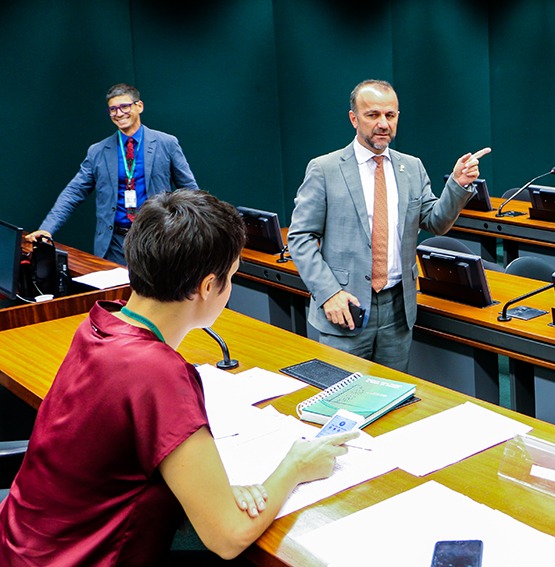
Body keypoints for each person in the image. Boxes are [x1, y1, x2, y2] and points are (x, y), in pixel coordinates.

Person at [0, 190, 358, 565]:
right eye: (231, 277)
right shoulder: (158, 373)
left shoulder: (100, 323)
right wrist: (296, 466)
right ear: (207, 287)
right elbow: (228, 535)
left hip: (21, 546)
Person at [288, 79, 490, 372]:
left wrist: (457, 185)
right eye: (373, 115)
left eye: (390, 115)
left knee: (393, 400)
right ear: (353, 119)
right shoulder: (324, 169)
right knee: (341, 399)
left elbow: (435, 222)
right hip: (346, 307)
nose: (383, 123)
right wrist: (328, 293)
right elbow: (301, 238)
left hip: (398, 309)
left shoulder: (412, 167)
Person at [25, 83, 198, 265]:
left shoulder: (166, 143)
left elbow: (190, 191)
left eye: (124, 106)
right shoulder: (97, 151)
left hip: (157, 238)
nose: (119, 113)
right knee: (116, 293)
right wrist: (47, 229)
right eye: (113, 109)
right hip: (115, 244)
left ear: (139, 106)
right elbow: (73, 193)